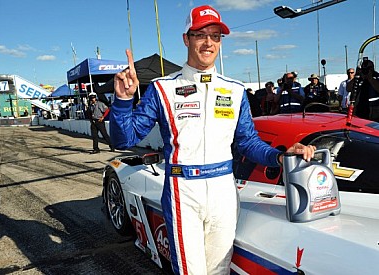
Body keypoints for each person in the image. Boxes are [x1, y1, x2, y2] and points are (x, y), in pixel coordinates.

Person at [110, 5, 315, 274]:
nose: (209, 42)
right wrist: (124, 101)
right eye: (200, 34)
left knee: (219, 271)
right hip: (183, 189)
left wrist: (279, 155)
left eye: (216, 36)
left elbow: (247, 142)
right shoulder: (163, 88)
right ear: (186, 38)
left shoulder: (235, 90)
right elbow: (125, 138)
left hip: (223, 190)